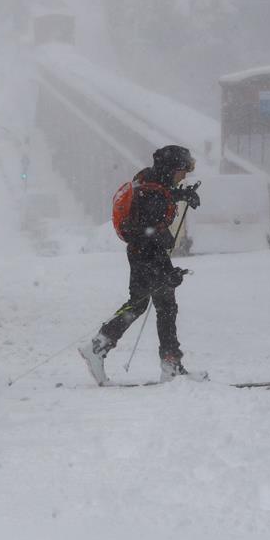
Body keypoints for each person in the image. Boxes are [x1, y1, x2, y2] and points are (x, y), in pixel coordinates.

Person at [78, 145, 203, 385]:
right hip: (147, 254)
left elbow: (160, 195)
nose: (184, 176)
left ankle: (99, 347)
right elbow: (148, 230)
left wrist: (183, 195)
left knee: (142, 304)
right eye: (182, 171)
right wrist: (167, 272)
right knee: (162, 306)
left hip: (141, 253)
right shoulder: (154, 194)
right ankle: (169, 366)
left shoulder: (149, 179)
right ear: (170, 169)